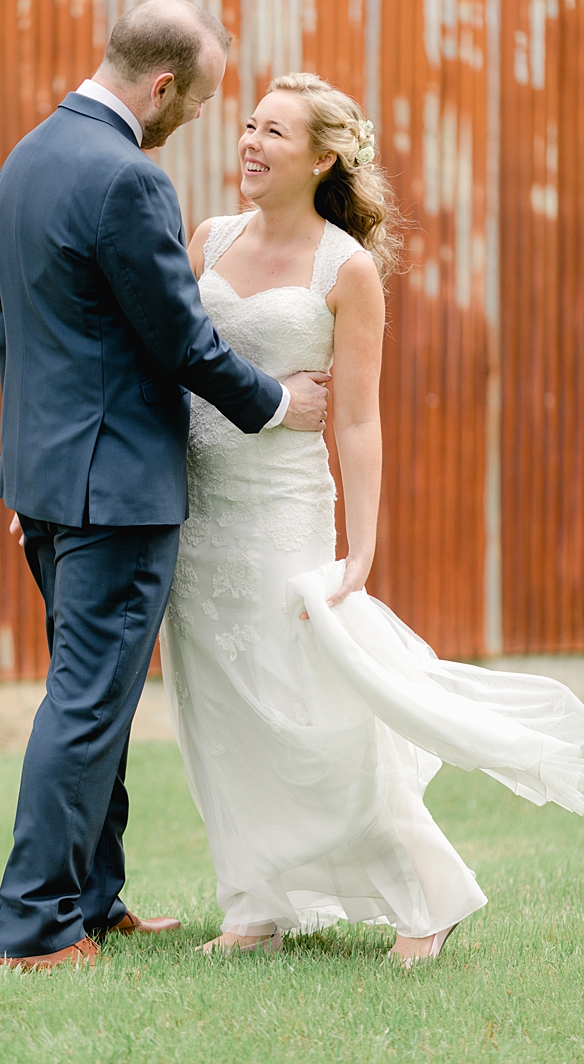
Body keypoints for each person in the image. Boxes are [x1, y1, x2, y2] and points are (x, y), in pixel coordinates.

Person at [161, 72, 584, 963]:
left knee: (309, 713)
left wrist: (366, 543)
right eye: (248, 125)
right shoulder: (207, 238)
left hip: (283, 516)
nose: (250, 143)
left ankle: (425, 895)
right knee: (220, 713)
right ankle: (253, 904)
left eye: (274, 133)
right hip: (201, 516)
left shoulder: (345, 269)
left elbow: (357, 415)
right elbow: (174, 367)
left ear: (322, 158)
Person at [0, 0, 331, 972]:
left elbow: (14, 326)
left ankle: (93, 900)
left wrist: (23, 472)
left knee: (89, 698)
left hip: (48, 482)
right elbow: (179, 338)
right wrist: (273, 402)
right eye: (202, 102)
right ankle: (34, 929)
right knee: (88, 703)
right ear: (161, 86)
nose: (198, 121)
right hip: (117, 491)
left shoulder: (27, 158)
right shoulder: (130, 179)